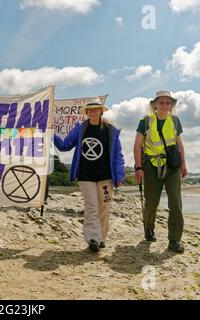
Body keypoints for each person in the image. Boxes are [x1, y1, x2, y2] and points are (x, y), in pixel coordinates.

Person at [54, 97, 125, 252]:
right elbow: (64, 146)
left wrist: (120, 175)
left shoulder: (110, 130)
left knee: (104, 207)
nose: (93, 112)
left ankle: (102, 237)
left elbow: (118, 154)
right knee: (91, 206)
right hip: (86, 175)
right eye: (90, 110)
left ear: (101, 111)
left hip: (105, 176)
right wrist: (51, 134)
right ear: (86, 112)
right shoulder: (80, 129)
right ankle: (93, 238)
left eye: (96, 109)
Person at [133, 90, 187, 253]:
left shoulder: (175, 121)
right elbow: (137, 146)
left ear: (171, 105)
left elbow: (180, 145)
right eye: (161, 102)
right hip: (151, 166)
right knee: (151, 202)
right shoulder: (145, 121)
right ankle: (149, 228)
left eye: (168, 102)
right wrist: (138, 167)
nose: (165, 105)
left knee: (176, 203)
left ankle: (175, 240)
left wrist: (183, 165)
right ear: (155, 104)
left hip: (172, 166)